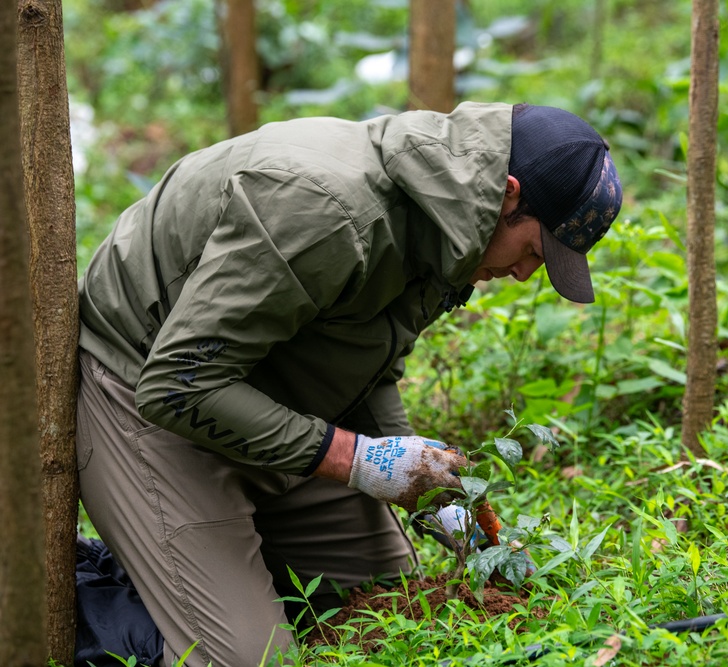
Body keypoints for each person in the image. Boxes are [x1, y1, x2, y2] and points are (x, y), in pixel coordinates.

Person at [76, 101, 623, 666]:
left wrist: (434, 492)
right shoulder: (326, 210)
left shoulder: (455, 229)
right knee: (251, 660)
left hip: (264, 391)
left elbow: (368, 363)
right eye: (535, 251)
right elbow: (179, 383)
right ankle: (96, 593)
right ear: (508, 193)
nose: (526, 273)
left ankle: (199, 571)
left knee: (385, 614)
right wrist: (357, 459)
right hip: (142, 391)